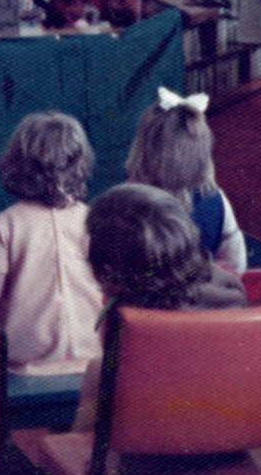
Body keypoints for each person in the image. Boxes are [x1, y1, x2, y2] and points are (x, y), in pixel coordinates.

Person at [73, 181, 247, 447]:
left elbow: (91, 433)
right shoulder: (231, 292)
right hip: (232, 444)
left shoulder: (124, 321)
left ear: (108, 267)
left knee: (98, 372)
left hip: (144, 457)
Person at [0, 111, 104, 371]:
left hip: (24, 366)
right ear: (79, 164)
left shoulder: (6, 223)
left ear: (19, 165)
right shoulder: (94, 220)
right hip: (90, 362)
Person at [126, 85, 248, 276]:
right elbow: (236, 264)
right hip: (201, 293)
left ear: (141, 149)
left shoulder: (125, 203)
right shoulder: (216, 199)